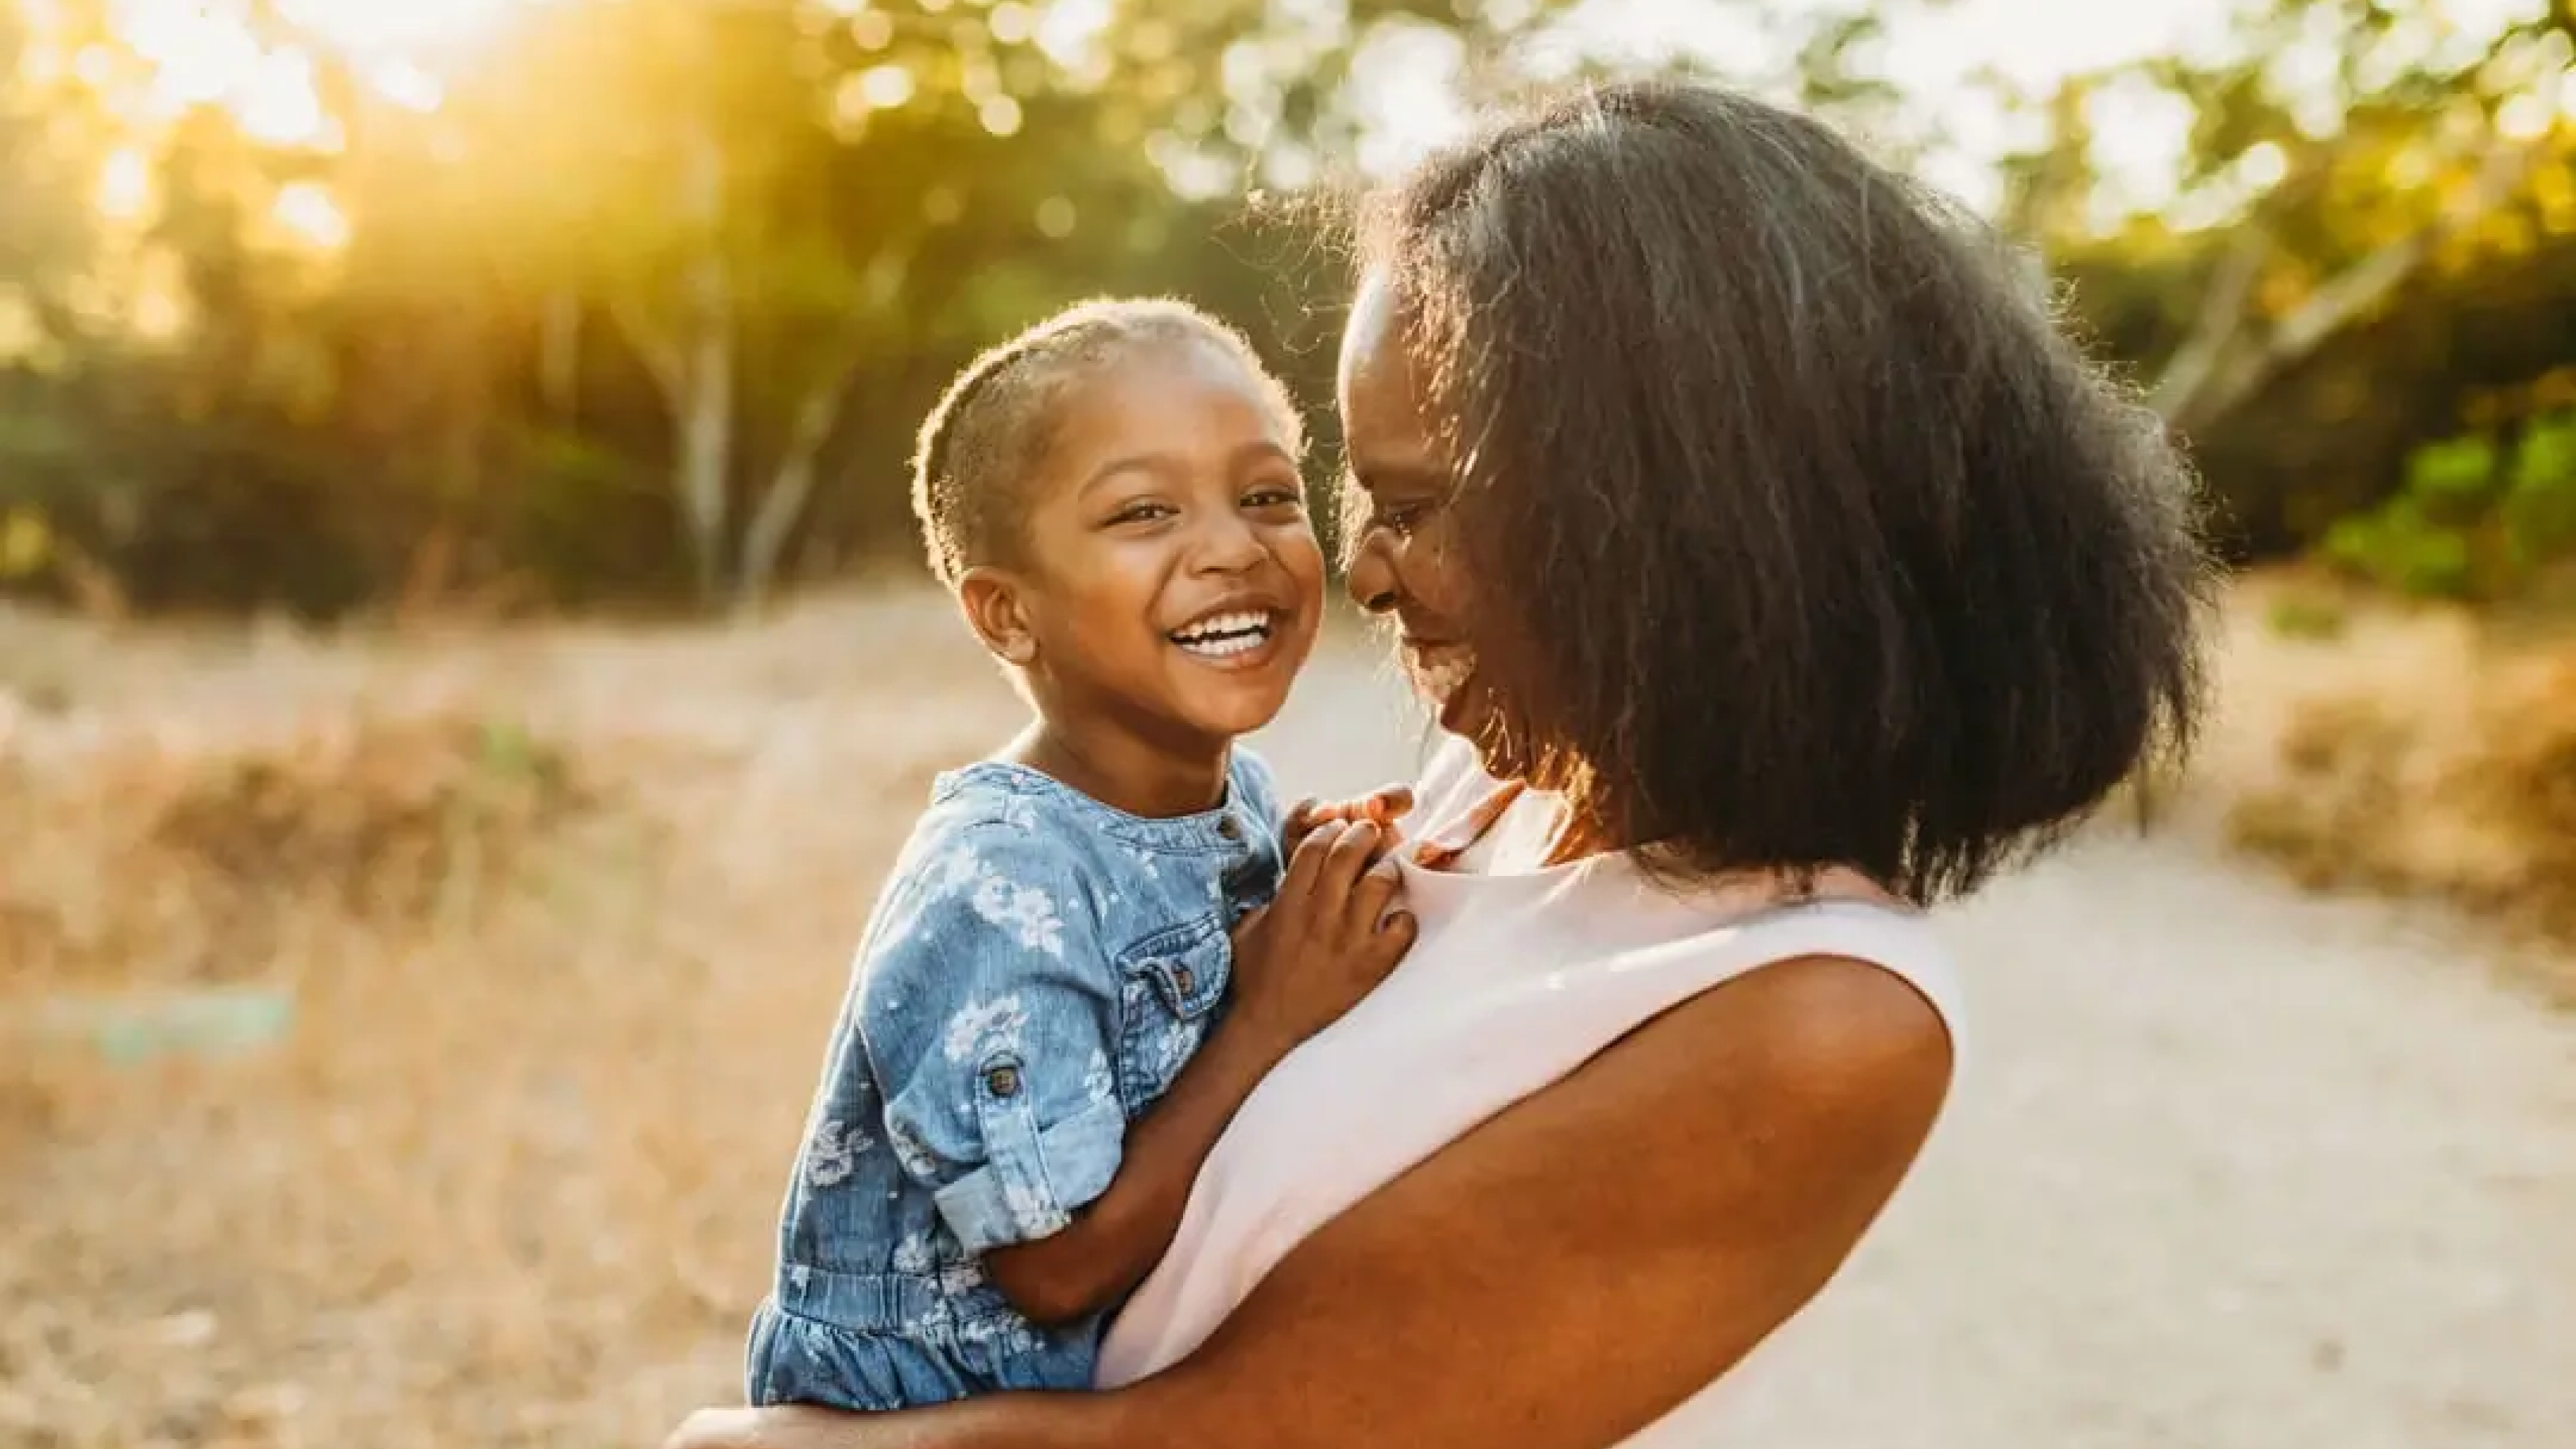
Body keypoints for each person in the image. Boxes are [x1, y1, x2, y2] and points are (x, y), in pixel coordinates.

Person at [671, 77, 2211, 1448]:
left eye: (1410, 504)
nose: (1363, 566)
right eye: (1353, 491)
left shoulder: (1811, 1016)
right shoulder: (1501, 788)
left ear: (1666, 529)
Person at [739, 295, 1419, 1414]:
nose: (1233, 547)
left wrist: (1313, 870)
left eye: (1266, 495)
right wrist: (1270, 1014)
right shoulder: (1000, 885)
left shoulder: (1232, 793)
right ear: (1008, 616)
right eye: (1145, 512)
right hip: (938, 1419)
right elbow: (1055, 1270)